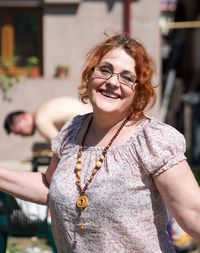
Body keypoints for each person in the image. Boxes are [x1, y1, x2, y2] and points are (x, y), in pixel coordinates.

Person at [1, 33, 200, 253]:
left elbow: (193, 213)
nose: (112, 82)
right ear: (90, 75)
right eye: (105, 70)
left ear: (139, 91)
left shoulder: (153, 139)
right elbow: (51, 186)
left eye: (127, 77)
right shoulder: (71, 131)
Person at [3, 96, 92, 142]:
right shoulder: (43, 110)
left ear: (23, 118)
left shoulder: (40, 120)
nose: (22, 136)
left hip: (91, 123)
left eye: (20, 131)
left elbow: (59, 146)